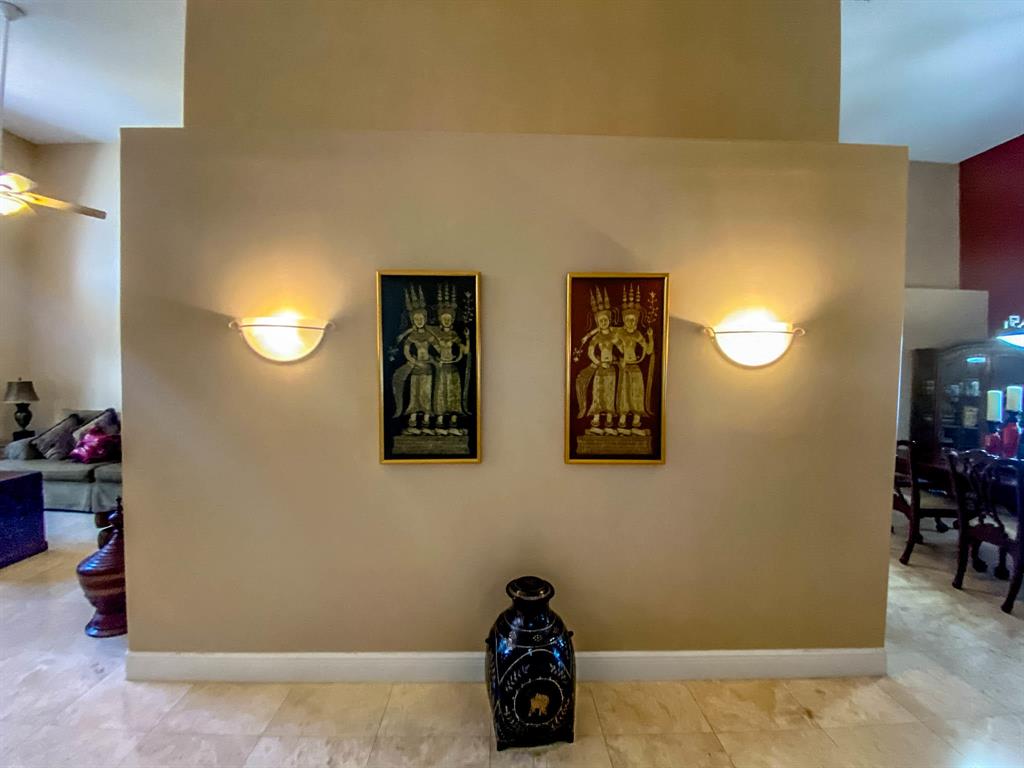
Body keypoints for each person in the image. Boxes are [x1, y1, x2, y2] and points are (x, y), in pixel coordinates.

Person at [614, 286, 654, 435]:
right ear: (624, 321)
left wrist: (650, 337)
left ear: (636, 321)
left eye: (633, 320)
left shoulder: (637, 334)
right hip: (625, 366)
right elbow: (612, 344)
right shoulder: (620, 333)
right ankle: (623, 416)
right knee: (624, 391)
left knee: (637, 391)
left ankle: (637, 417)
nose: (630, 322)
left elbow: (648, 351)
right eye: (628, 320)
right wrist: (620, 357)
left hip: (635, 366)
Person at [431, 284, 470, 434]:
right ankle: (440, 423)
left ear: (452, 320)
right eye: (444, 318)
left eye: (449, 318)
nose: (446, 321)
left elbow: (465, 351)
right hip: (441, 368)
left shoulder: (454, 335)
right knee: (441, 393)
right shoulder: (435, 334)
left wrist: (467, 338)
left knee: (453, 394)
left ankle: (453, 423)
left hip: (452, 367)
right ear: (440, 319)